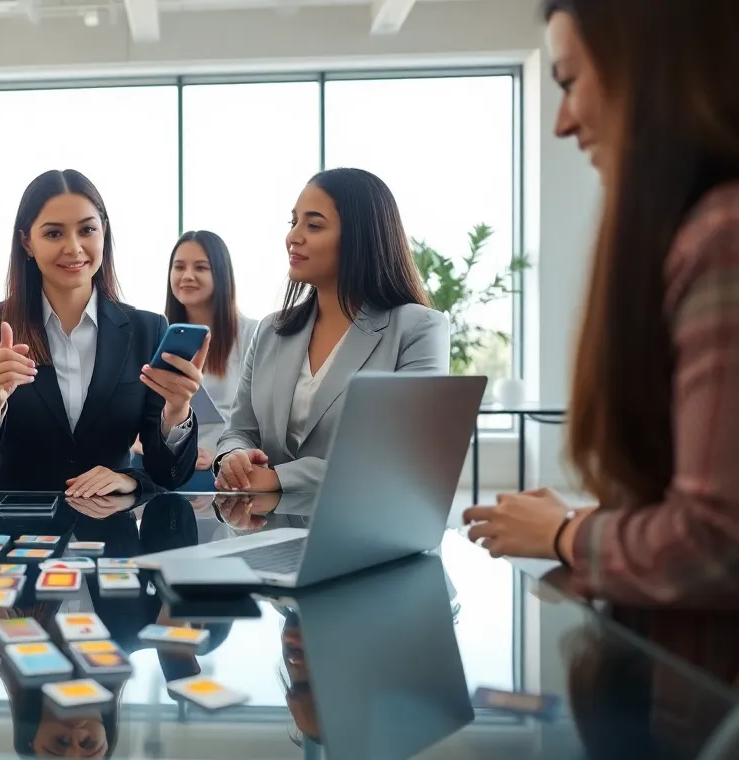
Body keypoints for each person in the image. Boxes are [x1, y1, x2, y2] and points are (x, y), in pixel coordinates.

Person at [463, 0, 739, 607]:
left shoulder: (721, 235)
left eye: (569, 81)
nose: (562, 122)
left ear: (649, 71)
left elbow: (717, 543)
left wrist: (568, 532)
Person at [0, 169, 204, 496]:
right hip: (10, 531)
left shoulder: (146, 330)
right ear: (27, 242)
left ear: (103, 233)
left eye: (87, 230)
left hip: (109, 533)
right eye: (54, 234)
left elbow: (169, 475)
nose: (74, 247)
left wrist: (176, 413)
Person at [214, 168, 448, 492]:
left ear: (360, 237)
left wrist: (280, 478)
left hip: (366, 533)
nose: (294, 236)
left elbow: (401, 454)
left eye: (314, 225)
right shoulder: (271, 331)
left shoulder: (418, 329)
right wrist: (234, 456)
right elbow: (239, 430)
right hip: (268, 529)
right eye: (293, 222)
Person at [133, 230, 258, 491]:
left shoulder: (254, 335)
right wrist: (139, 442)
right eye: (179, 267)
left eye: (200, 267)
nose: (186, 276)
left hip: (226, 467)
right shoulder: (157, 335)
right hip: (167, 463)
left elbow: (262, 421)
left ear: (222, 274)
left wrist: (221, 457)